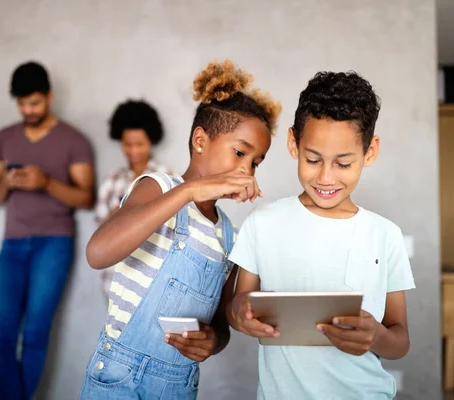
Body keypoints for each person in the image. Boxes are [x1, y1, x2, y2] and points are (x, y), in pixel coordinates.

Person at [79, 59, 281, 399]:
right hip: (119, 378)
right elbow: (97, 253)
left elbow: (219, 320)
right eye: (239, 153)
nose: (247, 171)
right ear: (200, 141)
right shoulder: (158, 188)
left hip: (178, 385)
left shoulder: (227, 233)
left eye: (255, 163)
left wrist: (214, 340)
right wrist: (187, 191)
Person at [227, 71, 416, 399]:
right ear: (292, 144)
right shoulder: (263, 223)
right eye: (312, 159)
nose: (326, 178)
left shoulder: (385, 235)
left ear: (370, 152)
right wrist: (240, 313)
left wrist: (376, 338)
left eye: (343, 164)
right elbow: (236, 307)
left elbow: (400, 341)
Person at [0, 61, 95, 400]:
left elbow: (86, 198)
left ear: (49, 95)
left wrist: (45, 182)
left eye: (33, 102)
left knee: (34, 333)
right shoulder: (4, 138)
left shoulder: (74, 140)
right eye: (21, 103)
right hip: (12, 244)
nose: (27, 110)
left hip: (54, 244)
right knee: (0, 335)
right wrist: (5, 180)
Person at [96, 99, 176, 224]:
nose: (133, 151)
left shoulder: (169, 177)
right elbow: (99, 225)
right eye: (127, 144)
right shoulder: (111, 179)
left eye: (140, 144)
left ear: (151, 141)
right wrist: (115, 214)